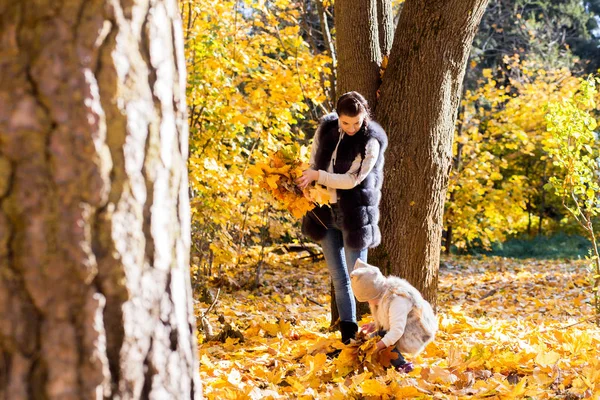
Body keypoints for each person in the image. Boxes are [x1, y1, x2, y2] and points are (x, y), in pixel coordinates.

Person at [297, 91, 388, 344]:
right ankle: (348, 338)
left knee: (361, 279)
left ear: (365, 116)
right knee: (339, 279)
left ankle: (384, 333)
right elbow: (315, 161)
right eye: (345, 123)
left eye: (356, 122)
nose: (351, 128)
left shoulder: (371, 142)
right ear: (338, 117)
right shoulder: (327, 128)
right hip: (324, 213)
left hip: (354, 216)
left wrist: (318, 177)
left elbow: (352, 180)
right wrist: (307, 181)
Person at [350, 259, 438, 373]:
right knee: (376, 337)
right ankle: (388, 365)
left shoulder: (397, 300)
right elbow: (391, 319)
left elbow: (396, 331)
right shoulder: (385, 294)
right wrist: (374, 325)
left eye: (369, 299)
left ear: (375, 293)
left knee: (382, 339)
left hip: (417, 333)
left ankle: (403, 366)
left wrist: (377, 347)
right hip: (406, 327)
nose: (369, 303)